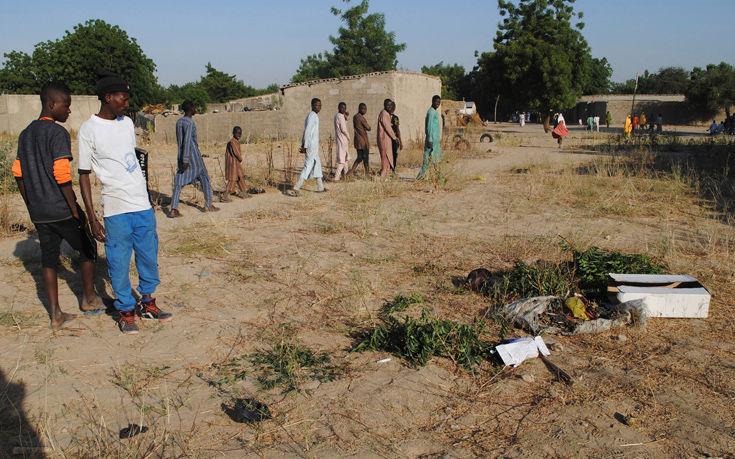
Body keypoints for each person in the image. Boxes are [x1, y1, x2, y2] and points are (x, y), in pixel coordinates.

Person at [78, 68, 172, 335]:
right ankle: (126, 312)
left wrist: (148, 196)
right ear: (108, 97)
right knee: (118, 263)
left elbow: (132, 163)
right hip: (116, 209)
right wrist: (92, 217)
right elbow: (84, 175)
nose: (127, 104)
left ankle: (148, 304)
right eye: (123, 98)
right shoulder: (89, 130)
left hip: (141, 206)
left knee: (148, 259)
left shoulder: (127, 124)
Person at [12, 83, 102, 329]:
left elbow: (18, 173)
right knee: (88, 247)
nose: (69, 111)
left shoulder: (25, 133)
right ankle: (88, 298)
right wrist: (76, 210)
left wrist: (31, 204)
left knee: (49, 260)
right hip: (60, 209)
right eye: (66, 105)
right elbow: (62, 175)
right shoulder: (57, 133)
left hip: (39, 212)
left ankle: (55, 314)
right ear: (52, 105)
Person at [170, 101, 219, 217]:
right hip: (193, 156)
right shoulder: (189, 122)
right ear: (191, 109)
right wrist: (186, 159)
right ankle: (208, 205)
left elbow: (180, 142)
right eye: (194, 107)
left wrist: (182, 158)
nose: (195, 109)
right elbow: (187, 141)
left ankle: (173, 208)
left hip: (181, 154)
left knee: (179, 182)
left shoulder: (179, 122)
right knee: (204, 178)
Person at [292, 98, 326, 194]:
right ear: (312, 106)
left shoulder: (312, 116)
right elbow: (307, 131)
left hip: (313, 146)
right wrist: (305, 146)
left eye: (320, 105)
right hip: (311, 146)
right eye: (317, 105)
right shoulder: (312, 116)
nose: (319, 107)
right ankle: (297, 186)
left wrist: (304, 144)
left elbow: (306, 131)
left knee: (317, 165)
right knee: (308, 165)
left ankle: (320, 187)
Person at [417, 95, 443, 179]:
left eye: (439, 102)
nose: (437, 104)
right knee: (427, 160)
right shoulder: (431, 112)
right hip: (431, 141)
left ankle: (439, 177)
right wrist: (430, 140)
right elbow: (429, 127)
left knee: (436, 160)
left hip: (435, 141)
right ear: (432, 101)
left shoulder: (434, 112)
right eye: (436, 102)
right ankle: (419, 177)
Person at [222, 126, 249, 200]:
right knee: (233, 179)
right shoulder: (232, 142)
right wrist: (240, 158)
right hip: (232, 164)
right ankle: (225, 196)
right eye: (237, 133)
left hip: (236, 163)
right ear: (233, 133)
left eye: (240, 134)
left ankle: (244, 193)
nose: (239, 135)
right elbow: (236, 152)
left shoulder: (236, 141)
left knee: (241, 177)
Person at [347, 103, 371, 178]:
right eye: (363, 109)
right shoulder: (361, 118)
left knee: (360, 157)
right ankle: (367, 174)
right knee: (365, 158)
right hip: (363, 141)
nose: (365, 110)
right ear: (360, 109)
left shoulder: (355, 117)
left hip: (358, 140)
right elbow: (368, 128)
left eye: (365, 109)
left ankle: (350, 172)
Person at [377, 99, 397, 179]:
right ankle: (383, 177)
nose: (389, 107)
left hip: (386, 139)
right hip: (384, 139)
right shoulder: (384, 114)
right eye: (387, 105)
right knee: (385, 159)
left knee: (387, 159)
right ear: (384, 105)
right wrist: (394, 137)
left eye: (390, 105)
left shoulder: (386, 114)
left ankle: (386, 177)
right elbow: (387, 127)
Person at [333, 102, 350, 181]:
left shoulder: (337, 116)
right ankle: (336, 177)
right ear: (339, 108)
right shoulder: (340, 116)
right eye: (342, 108)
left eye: (345, 108)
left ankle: (346, 175)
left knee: (345, 159)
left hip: (340, 140)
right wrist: (348, 137)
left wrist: (345, 118)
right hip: (343, 140)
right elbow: (343, 129)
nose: (344, 109)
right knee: (342, 161)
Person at [389, 100, 403, 172]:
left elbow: (397, 129)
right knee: (391, 154)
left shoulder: (395, 118)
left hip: (393, 139)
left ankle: (392, 168)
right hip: (390, 139)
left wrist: (400, 141)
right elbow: (397, 130)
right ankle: (391, 168)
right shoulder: (387, 116)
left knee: (393, 154)